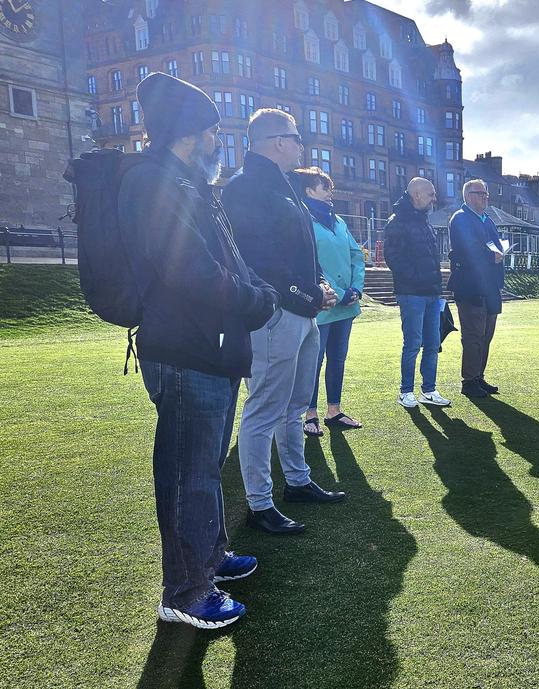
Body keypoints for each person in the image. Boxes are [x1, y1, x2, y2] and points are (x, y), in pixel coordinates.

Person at [120, 72, 279, 628]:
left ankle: (209, 557)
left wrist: (259, 292)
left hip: (206, 348)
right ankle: (185, 591)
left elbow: (223, 259)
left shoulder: (184, 182)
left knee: (205, 467)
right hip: (186, 352)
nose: (219, 141)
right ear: (191, 133)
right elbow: (189, 270)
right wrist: (255, 301)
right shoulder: (156, 183)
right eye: (213, 131)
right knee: (189, 472)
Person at [222, 108, 346, 537]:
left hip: (302, 312)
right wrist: (305, 292)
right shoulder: (245, 189)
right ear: (277, 141)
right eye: (296, 138)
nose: (301, 146)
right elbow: (258, 262)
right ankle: (259, 502)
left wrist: (318, 286)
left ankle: (297, 481)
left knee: (295, 405)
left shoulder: (283, 186)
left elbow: (298, 250)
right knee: (263, 410)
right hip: (275, 314)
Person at [288, 167, 366, 435]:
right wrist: (336, 290)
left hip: (347, 305)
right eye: (325, 187)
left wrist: (356, 287)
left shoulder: (339, 221)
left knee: (338, 358)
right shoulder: (302, 218)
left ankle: (334, 410)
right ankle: (309, 415)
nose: (330, 192)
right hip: (324, 304)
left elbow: (356, 254)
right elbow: (312, 262)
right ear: (309, 190)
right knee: (313, 360)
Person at [383, 177, 451, 408]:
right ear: (417, 195)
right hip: (411, 294)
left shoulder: (425, 221)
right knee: (412, 343)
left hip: (432, 293)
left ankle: (429, 390)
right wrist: (418, 279)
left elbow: (431, 258)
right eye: (431, 194)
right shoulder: (396, 222)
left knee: (432, 344)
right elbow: (394, 258)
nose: (435, 198)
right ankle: (406, 391)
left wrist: (437, 288)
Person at [447, 179, 505, 398]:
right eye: (481, 193)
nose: (485, 197)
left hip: (490, 285)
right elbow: (468, 249)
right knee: (473, 335)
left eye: (486, 193)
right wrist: (493, 256)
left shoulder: (487, 220)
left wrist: (498, 252)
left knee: (486, 335)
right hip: (470, 285)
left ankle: (478, 376)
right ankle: (469, 381)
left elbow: (495, 245)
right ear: (468, 195)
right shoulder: (460, 219)